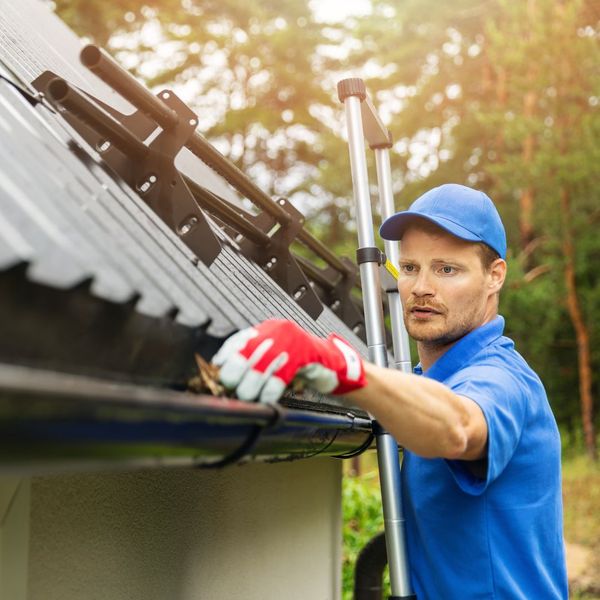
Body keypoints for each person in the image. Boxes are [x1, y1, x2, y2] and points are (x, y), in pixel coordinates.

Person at [213, 183, 568, 599]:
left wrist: (345, 370)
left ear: (495, 276)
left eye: (447, 269)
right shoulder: (426, 381)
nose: (421, 287)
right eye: (411, 268)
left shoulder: (502, 379)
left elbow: (458, 426)